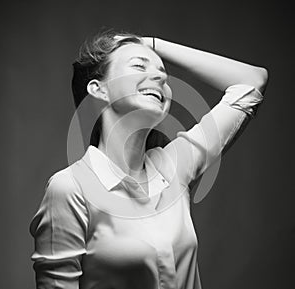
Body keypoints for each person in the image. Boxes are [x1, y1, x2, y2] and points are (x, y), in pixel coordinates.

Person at [30, 29, 268, 289]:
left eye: (162, 72)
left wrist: (152, 44)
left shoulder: (175, 167)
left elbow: (251, 81)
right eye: (138, 66)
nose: (161, 76)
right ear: (99, 90)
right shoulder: (70, 188)